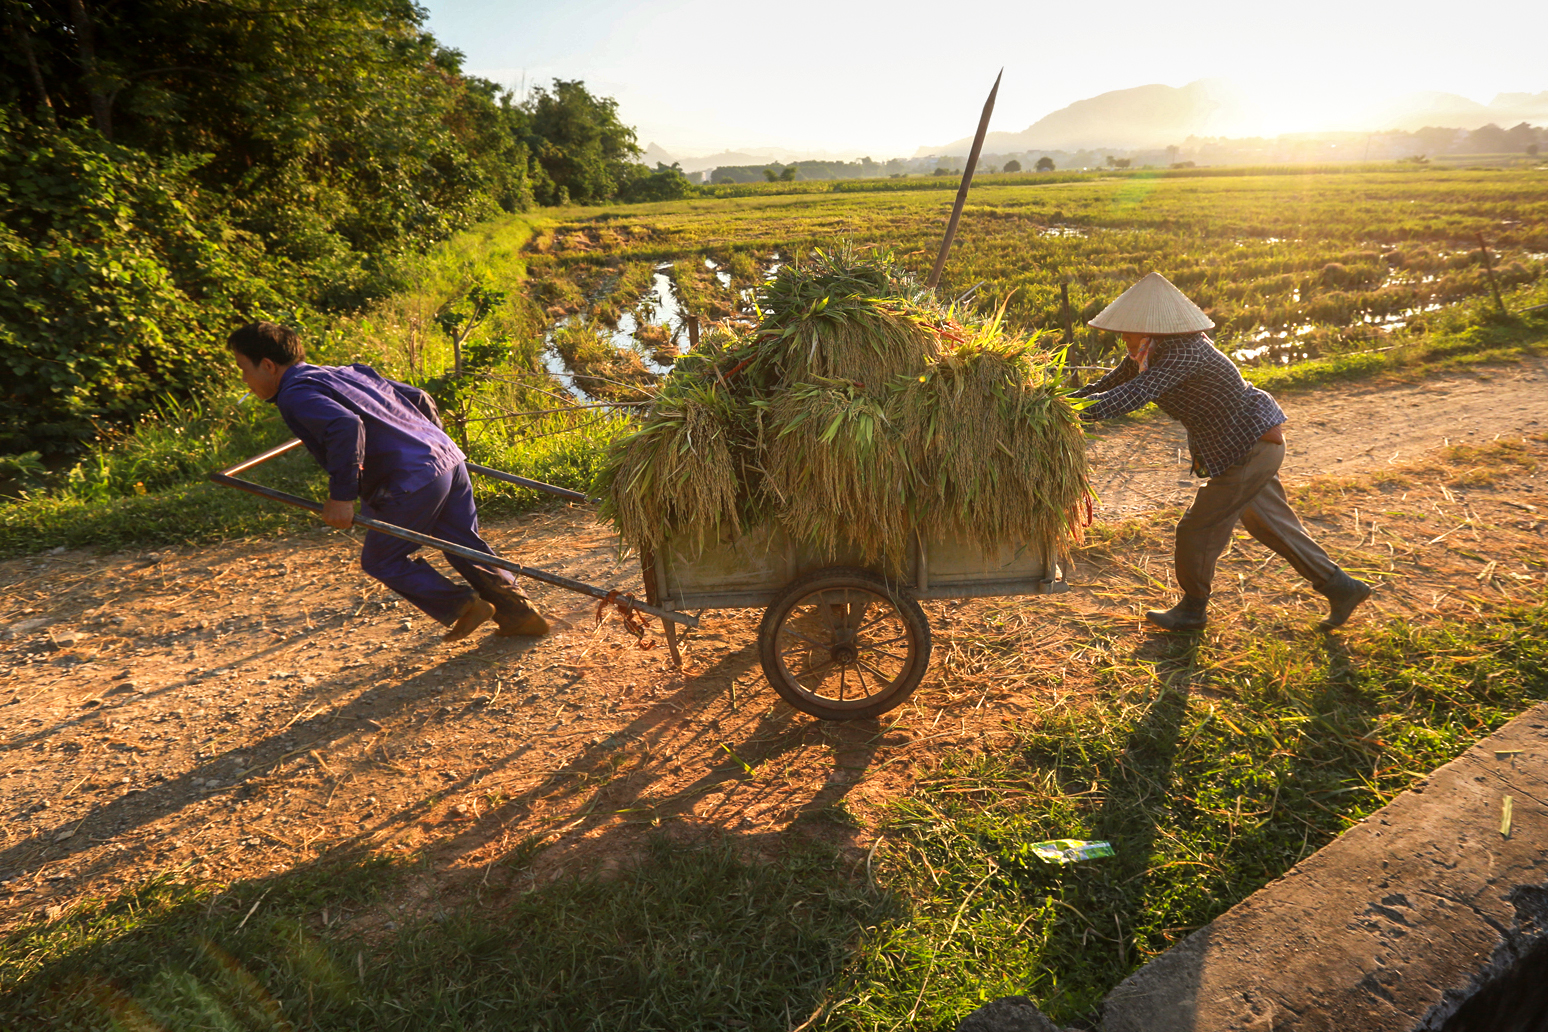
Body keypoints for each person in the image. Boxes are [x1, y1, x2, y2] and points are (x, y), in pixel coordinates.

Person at [1072, 273, 1370, 631]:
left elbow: (1135, 395)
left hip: (1249, 447)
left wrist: (1072, 414)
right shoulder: (1148, 351)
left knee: (1197, 529)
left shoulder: (1185, 351)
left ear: (1151, 327)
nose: (1123, 338)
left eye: (1127, 330)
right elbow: (1110, 384)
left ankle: (1193, 609)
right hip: (1250, 445)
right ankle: (1342, 588)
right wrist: (1058, 401)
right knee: (1271, 526)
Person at [227, 321, 549, 642]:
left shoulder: (295, 394)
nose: (244, 379)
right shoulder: (347, 372)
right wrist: (433, 441)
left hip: (410, 478)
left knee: (382, 560)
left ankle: (464, 605)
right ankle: (520, 614)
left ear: (268, 365)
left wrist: (342, 495)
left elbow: (344, 424)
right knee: (463, 542)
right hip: (446, 458)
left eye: (243, 368)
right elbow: (419, 398)